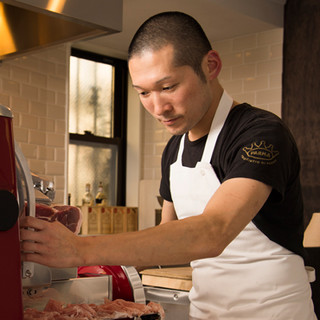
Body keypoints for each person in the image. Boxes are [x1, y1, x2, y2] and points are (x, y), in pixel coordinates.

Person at [20, 11, 316, 320]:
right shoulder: (175, 148)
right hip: (205, 313)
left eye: (169, 87)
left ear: (210, 66)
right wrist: (85, 277)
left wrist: (81, 249)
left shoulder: (261, 133)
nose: (158, 108)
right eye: (144, 93)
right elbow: (170, 236)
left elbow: (212, 232)